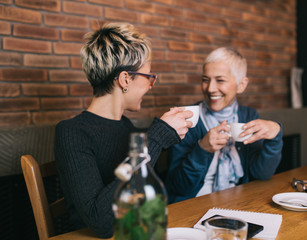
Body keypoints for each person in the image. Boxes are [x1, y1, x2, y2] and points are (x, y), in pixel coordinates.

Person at [54, 22, 192, 238]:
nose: (150, 86)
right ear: (125, 79)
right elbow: (101, 222)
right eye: (149, 78)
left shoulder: (125, 125)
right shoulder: (72, 133)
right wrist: (156, 137)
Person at [165, 47, 283, 203]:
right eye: (205, 80)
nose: (210, 89)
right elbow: (178, 187)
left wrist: (275, 136)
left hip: (240, 203)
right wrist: (202, 149)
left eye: (220, 80)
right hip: (192, 207)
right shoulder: (188, 119)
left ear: (241, 84)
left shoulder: (249, 116)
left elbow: (261, 174)